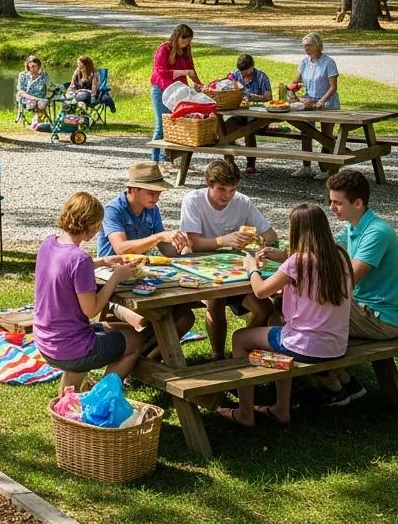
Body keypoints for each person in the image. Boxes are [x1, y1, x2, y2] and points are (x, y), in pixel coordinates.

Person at [219, 204, 351, 426]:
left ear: (296, 230)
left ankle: (245, 412)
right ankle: (281, 408)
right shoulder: (339, 256)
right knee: (278, 328)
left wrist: (252, 268)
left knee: (240, 337)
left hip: (305, 345)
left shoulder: (298, 262)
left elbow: (261, 291)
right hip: (337, 344)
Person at [34, 191, 144, 390]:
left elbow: (65, 267)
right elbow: (91, 310)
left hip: (45, 341)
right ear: (91, 226)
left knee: (116, 329)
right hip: (71, 348)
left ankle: (69, 400)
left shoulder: (48, 244)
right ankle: (100, 396)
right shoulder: (80, 259)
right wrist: (116, 277)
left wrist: (102, 261)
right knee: (136, 340)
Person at [179, 159, 280, 360]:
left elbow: (271, 235)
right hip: (200, 266)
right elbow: (193, 244)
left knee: (265, 308)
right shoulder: (193, 200)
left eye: (232, 190)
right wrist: (222, 240)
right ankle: (218, 356)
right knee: (215, 300)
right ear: (209, 184)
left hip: (234, 268)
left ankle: (241, 349)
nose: (227, 196)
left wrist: (257, 239)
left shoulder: (242, 201)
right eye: (222, 190)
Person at [328, 168, 398, 402]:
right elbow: (326, 252)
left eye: (337, 203)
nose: (331, 207)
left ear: (358, 202)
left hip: (380, 319)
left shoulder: (376, 233)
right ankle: (343, 381)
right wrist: (285, 257)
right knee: (293, 309)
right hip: (363, 309)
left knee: (303, 316)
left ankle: (331, 386)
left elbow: (348, 280)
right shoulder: (353, 225)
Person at [97, 162, 195, 340]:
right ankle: (141, 359)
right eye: (151, 192)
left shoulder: (152, 209)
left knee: (185, 315)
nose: (156, 197)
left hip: (140, 278)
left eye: (159, 192)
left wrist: (179, 245)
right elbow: (121, 248)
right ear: (133, 189)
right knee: (148, 319)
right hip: (112, 284)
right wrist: (159, 237)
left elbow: (165, 249)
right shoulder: (113, 210)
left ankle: (152, 359)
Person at [149, 24, 203, 171]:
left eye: (188, 41)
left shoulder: (186, 52)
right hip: (161, 89)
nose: (186, 43)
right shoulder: (164, 48)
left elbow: (191, 71)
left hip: (178, 92)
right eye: (184, 39)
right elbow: (161, 72)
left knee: (176, 125)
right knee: (161, 125)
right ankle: (154, 162)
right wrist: (183, 72)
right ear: (177, 36)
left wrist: (198, 84)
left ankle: (170, 159)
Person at [291, 31, 339, 180]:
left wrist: (322, 101)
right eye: (305, 46)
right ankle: (306, 167)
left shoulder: (328, 62)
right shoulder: (304, 62)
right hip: (308, 103)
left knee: (326, 136)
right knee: (305, 133)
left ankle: (326, 169)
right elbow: (295, 82)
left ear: (318, 45)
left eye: (309, 45)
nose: (307, 49)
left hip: (327, 103)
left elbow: (333, 87)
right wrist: (292, 92)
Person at [226, 53, 272, 174]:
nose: (243, 74)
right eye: (241, 71)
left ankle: (250, 163)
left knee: (249, 128)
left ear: (252, 67)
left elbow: (269, 98)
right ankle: (229, 162)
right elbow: (227, 91)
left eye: (245, 71)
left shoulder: (262, 77)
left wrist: (256, 98)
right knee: (226, 127)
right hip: (239, 113)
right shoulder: (234, 75)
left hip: (258, 115)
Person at [15, 54, 51, 128]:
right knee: (34, 102)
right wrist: (34, 98)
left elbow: (50, 86)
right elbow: (21, 91)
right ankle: (37, 120)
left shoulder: (44, 75)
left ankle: (37, 120)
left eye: (34, 66)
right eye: (30, 67)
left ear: (38, 66)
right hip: (27, 98)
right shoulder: (23, 75)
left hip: (41, 98)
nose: (32, 68)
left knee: (42, 102)